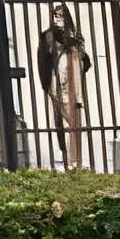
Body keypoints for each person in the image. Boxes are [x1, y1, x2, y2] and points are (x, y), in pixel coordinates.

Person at [35, 10, 92, 169]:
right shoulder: (48, 36)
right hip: (56, 83)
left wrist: (78, 47)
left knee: (74, 120)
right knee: (61, 120)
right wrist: (46, 84)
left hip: (73, 83)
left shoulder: (75, 36)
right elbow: (42, 60)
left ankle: (75, 159)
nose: (57, 19)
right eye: (54, 15)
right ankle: (66, 156)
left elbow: (85, 62)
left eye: (60, 15)